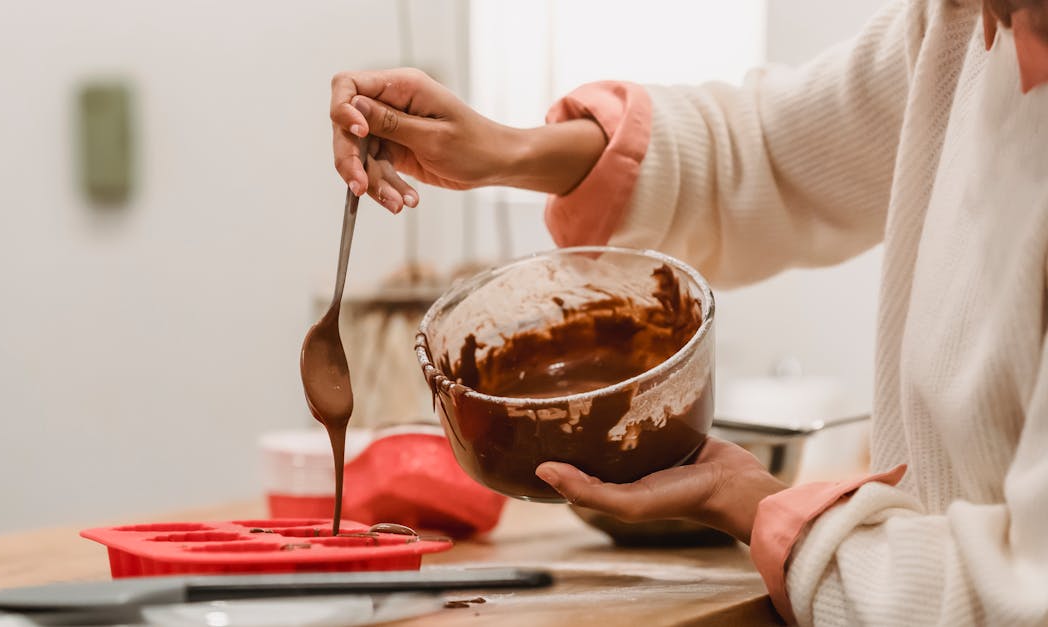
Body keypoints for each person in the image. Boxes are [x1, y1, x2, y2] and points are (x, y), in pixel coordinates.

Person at [328, 0, 1047, 625]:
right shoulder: (958, 23)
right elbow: (768, 154)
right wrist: (506, 151)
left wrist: (755, 505)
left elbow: (1013, 599)